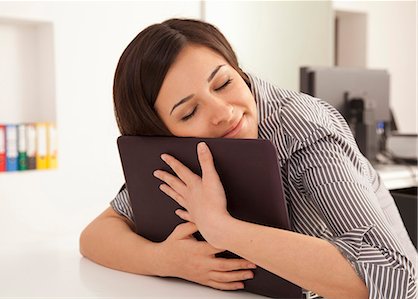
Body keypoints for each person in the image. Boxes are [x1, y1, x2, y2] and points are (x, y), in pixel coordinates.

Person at [80, 18, 417, 299]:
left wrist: (222, 229)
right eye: (189, 111)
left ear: (237, 70)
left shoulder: (305, 128)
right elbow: (96, 235)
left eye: (224, 82)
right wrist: (165, 260)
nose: (224, 112)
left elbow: (398, 278)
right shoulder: (184, 150)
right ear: (160, 134)